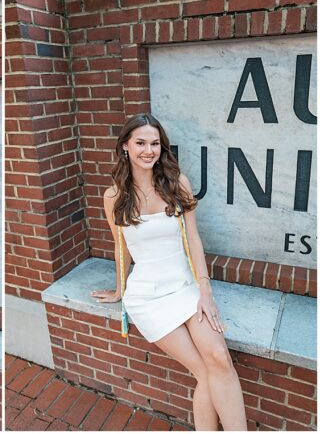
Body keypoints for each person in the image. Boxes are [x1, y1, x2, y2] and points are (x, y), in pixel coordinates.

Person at [90, 114, 246, 430]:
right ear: (125, 147)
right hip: (147, 296)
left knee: (219, 357)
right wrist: (120, 289)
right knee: (202, 371)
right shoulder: (113, 197)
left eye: (155, 143)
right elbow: (121, 247)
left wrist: (205, 292)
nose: (149, 150)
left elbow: (193, 238)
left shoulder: (177, 184)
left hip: (186, 286)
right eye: (141, 143)